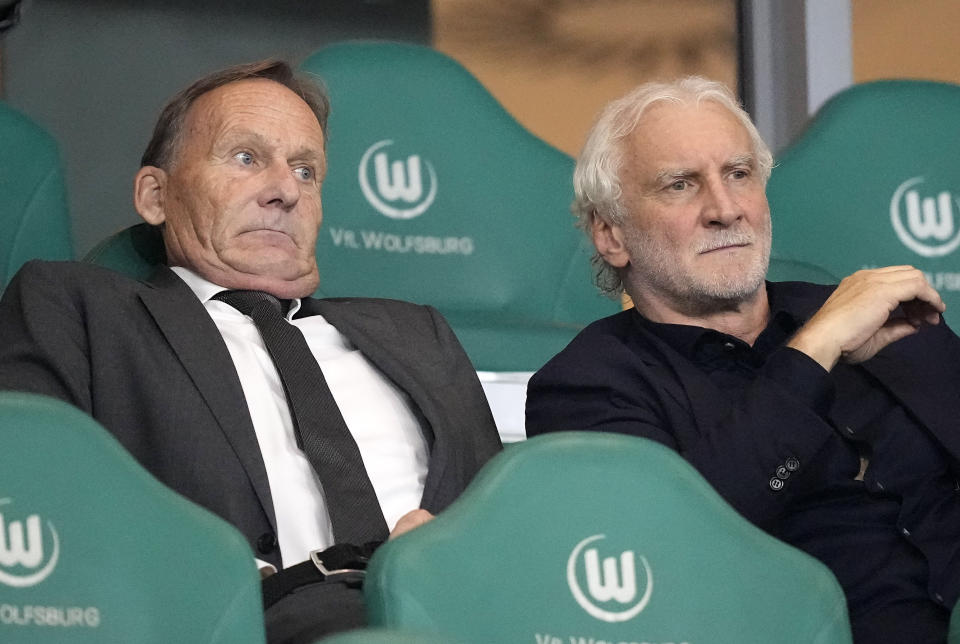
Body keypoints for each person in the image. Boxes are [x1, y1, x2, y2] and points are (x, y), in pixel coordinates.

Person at [0, 60, 501, 642]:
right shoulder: (79, 309)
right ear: (155, 195)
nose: (285, 190)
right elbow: (32, 492)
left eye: (306, 170)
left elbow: (504, 519)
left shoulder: (418, 335)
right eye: (246, 158)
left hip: (454, 614)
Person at [525, 76, 960, 643]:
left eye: (738, 174)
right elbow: (665, 558)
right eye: (680, 184)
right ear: (611, 236)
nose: (725, 209)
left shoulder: (881, 316)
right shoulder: (586, 388)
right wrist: (814, 351)